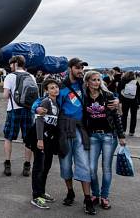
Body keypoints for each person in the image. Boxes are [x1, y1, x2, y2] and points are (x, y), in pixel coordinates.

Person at [32, 58, 118, 215]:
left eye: (82, 68)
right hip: (63, 130)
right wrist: (36, 108)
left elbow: (104, 92)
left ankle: (87, 198)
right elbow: (41, 100)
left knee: (84, 164)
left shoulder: (84, 85)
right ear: (70, 68)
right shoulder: (61, 87)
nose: (81, 71)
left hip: (80, 129)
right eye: (78, 68)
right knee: (65, 166)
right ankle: (70, 192)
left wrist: (116, 100)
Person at [82, 71, 125, 210]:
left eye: (98, 80)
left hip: (108, 136)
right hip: (93, 136)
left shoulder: (108, 96)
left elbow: (116, 117)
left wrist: (121, 136)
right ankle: (95, 194)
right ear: (87, 82)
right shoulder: (84, 97)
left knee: (106, 168)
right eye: (93, 80)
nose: (97, 82)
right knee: (91, 168)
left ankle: (104, 196)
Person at [28, 79, 61, 209]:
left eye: (56, 87)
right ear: (46, 90)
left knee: (46, 166)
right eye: (52, 88)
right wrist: (40, 139)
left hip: (49, 139)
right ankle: (36, 196)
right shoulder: (46, 101)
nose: (55, 90)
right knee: (38, 167)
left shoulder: (56, 103)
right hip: (40, 137)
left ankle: (41, 192)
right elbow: (40, 120)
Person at [2, 56, 34, 177]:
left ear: (15, 63)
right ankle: (27, 166)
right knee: (28, 139)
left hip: (14, 110)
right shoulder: (31, 76)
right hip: (27, 109)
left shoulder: (10, 76)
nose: (10, 66)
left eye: (11, 64)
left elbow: (5, 95)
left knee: (8, 137)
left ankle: (8, 164)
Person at [118, 71, 140, 136]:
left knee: (124, 116)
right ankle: (131, 131)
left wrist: (120, 100)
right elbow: (139, 93)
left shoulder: (122, 81)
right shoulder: (136, 82)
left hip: (124, 101)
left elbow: (118, 90)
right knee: (134, 116)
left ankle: (123, 130)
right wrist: (138, 102)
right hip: (134, 101)